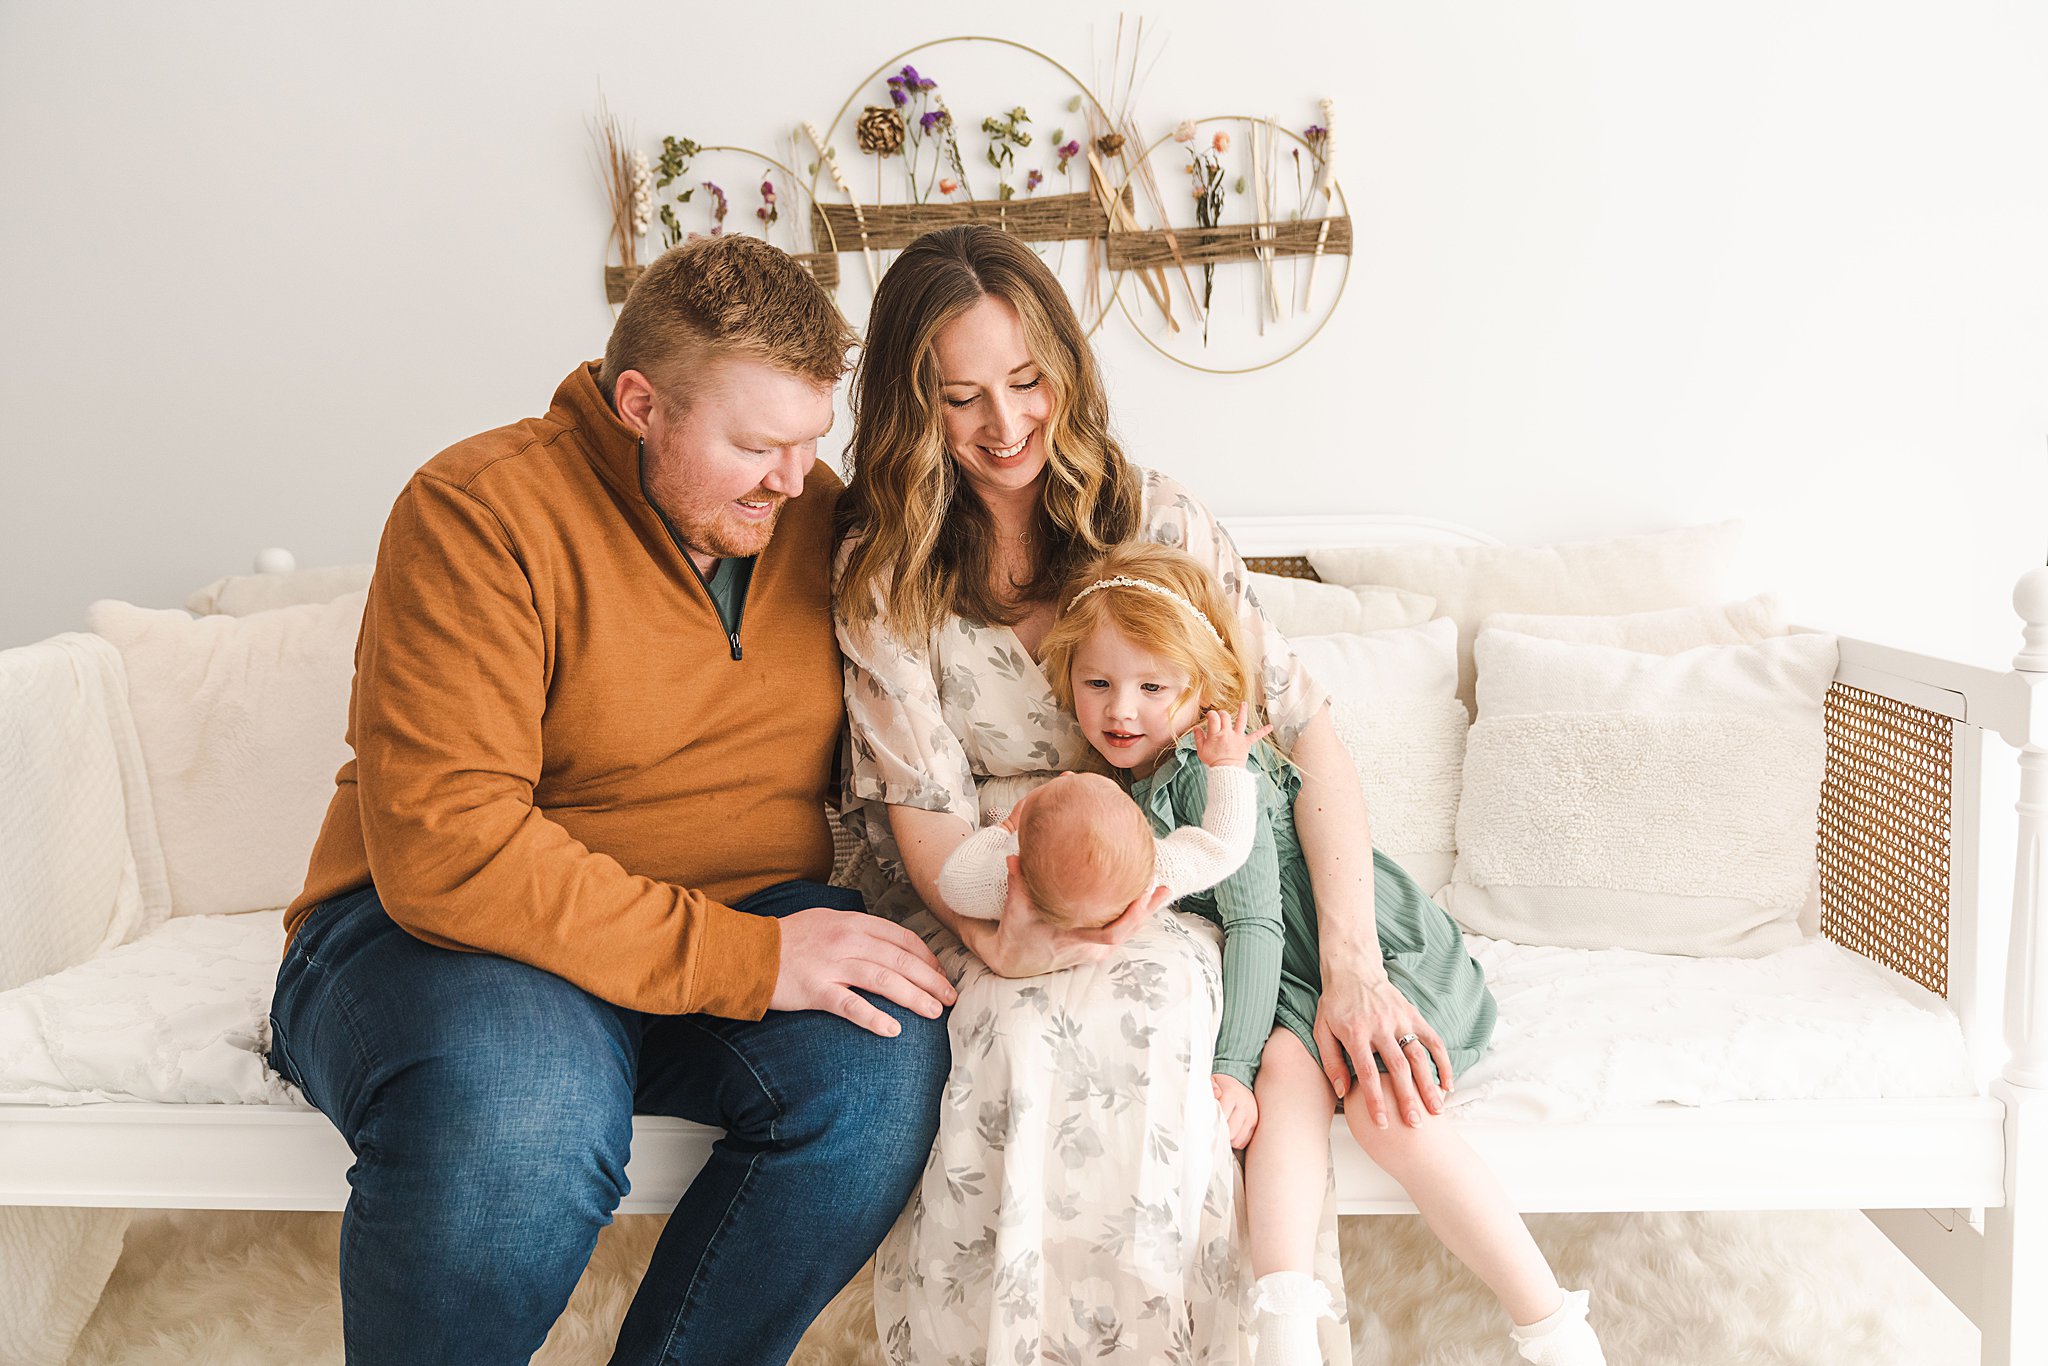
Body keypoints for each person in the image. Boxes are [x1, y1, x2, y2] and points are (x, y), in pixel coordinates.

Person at [267, 234, 954, 1366]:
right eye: (753, 444)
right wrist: (750, 962)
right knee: (524, 1117)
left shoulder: (814, 511)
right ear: (641, 403)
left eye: (807, 440)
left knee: (887, 1062)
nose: (793, 477)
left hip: (725, 919)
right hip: (444, 937)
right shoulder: (477, 510)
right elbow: (451, 852)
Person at [833, 223, 1451, 1362]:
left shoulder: (1153, 518)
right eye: (959, 398)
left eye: (1025, 382)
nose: (1005, 425)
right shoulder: (887, 571)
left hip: (1162, 879)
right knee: (1014, 1044)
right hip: (982, 879)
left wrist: (1354, 967)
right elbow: (920, 812)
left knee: (1161, 1023)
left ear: (1065, 367)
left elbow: (1303, 737)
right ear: (911, 407)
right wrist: (1002, 935)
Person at [1035, 542, 1608, 1366]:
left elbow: (1258, 924)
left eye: (1152, 687)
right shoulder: (1137, 774)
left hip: (1376, 958)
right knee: (1290, 1073)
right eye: (1098, 684)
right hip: (1289, 990)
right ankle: (1285, 1328)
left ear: (1199, 689)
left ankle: (1553, 1327)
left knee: (1384, 1112)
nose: (1122, 710)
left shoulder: (1206, 770)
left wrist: (1227, 1066)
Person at [938, 745, 1262, 930]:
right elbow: (1226, 848)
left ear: (1019, 860)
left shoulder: (1009, 883)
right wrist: (1228, 766)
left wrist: (1005, 828)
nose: (1067, 774)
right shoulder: (1152, 874)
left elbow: (953, 880)